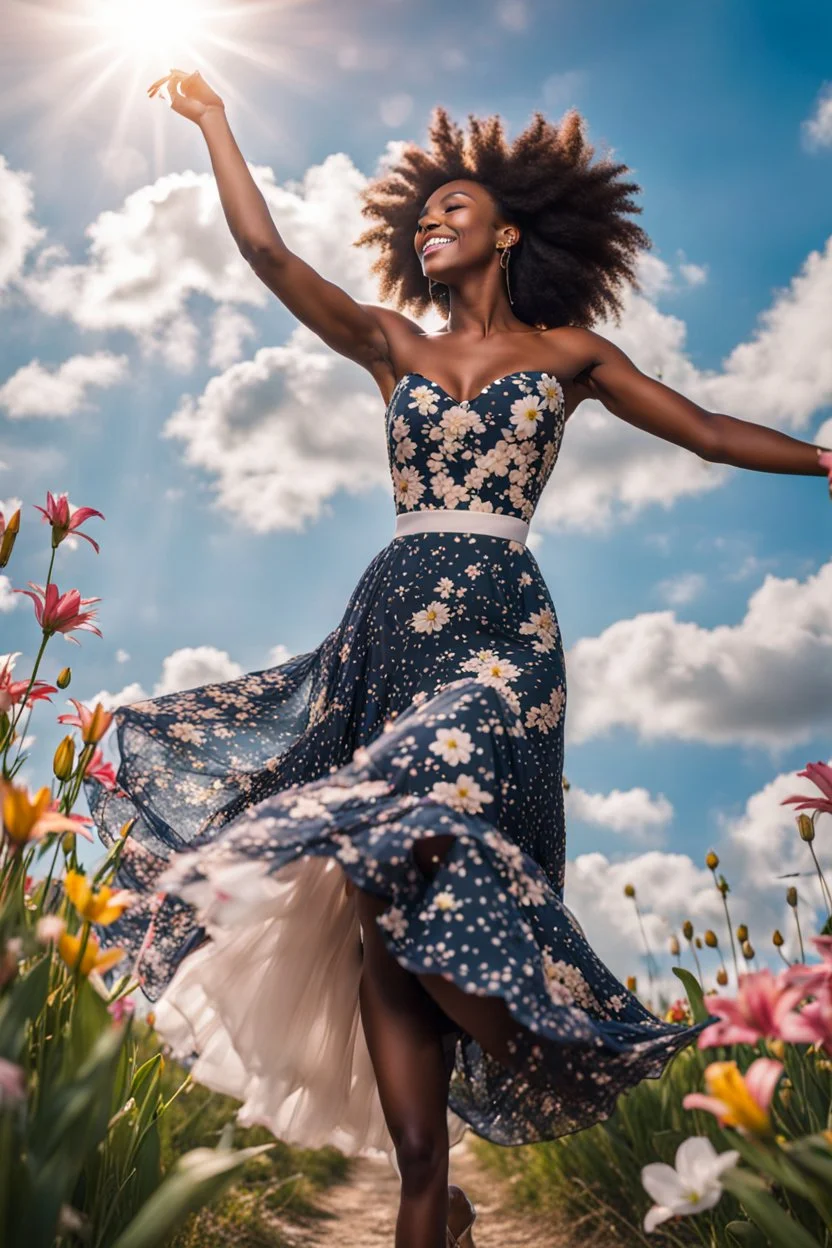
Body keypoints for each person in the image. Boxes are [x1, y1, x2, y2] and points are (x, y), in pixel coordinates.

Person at [86, 70, 831, 1248]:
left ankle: (556, 1034)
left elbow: (701, 429)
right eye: (419, 215)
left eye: (451, 211)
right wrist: (216, 122)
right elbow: (271, 258)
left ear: (508, 230)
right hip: (393, 621)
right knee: (419, 1141)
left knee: (432, 798)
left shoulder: (570, 355)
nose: (429, 225)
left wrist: (827, 462)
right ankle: (446, 1201)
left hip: (505, 642)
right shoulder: (390, 347)